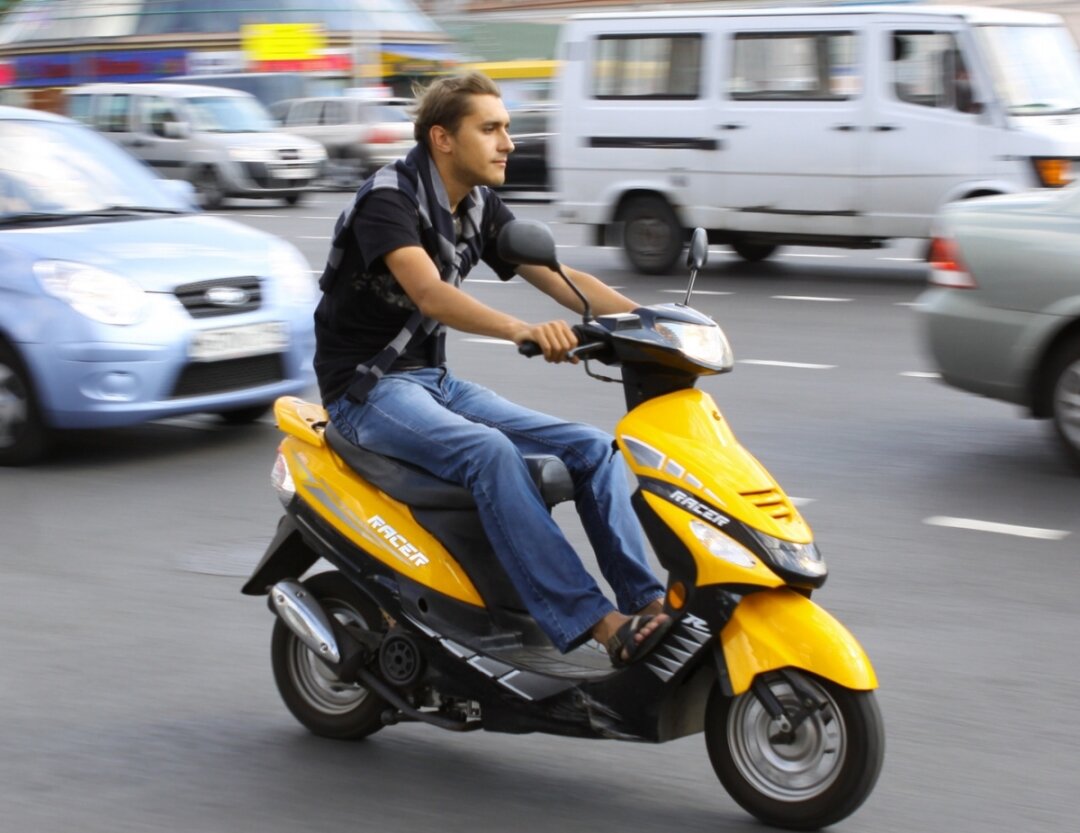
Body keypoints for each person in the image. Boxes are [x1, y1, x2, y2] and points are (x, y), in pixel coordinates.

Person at [313, 72, 670, 666]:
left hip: (433, 384)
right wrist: (519, 329)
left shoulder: (476, 204)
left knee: (594, 449)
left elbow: (565, 280)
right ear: (443, 139)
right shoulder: (389, 200)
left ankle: (648, 605)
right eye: (492, 129)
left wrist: (654, 321)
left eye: (507, 129)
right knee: (490, 454)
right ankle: (599, 623)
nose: (509, 143)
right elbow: (428, 293)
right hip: (366, 392)